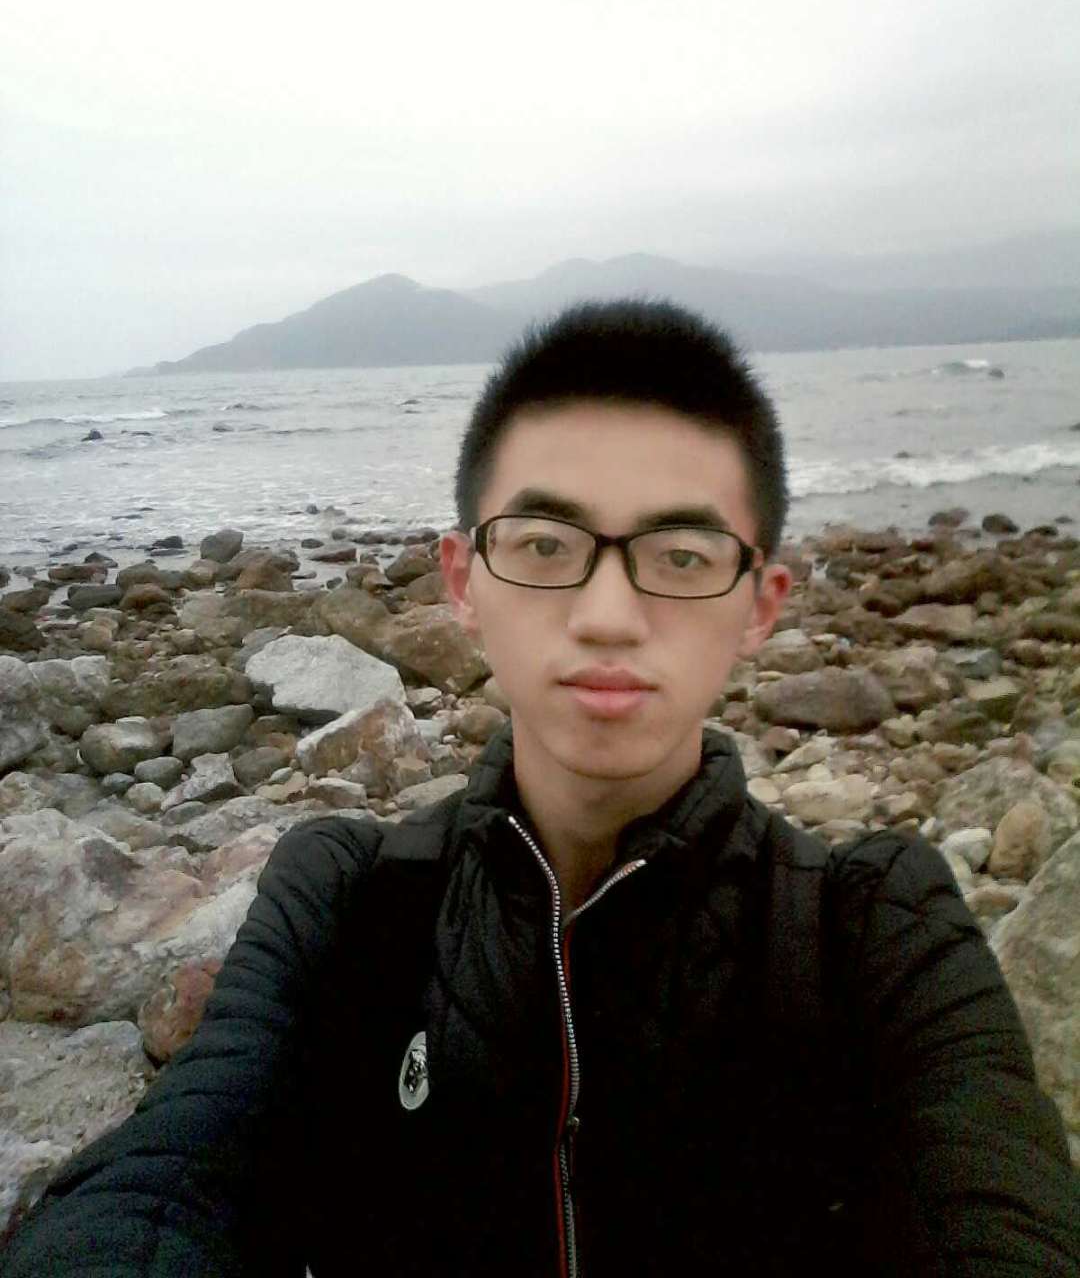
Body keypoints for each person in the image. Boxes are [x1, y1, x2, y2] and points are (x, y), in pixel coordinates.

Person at [2, 300, 1076, 1277]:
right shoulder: (348, 902)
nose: (607, 615)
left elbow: (994, 1210)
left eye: (683, 554)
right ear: (464, 580)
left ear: (760, 604)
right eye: (547, 544)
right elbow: (172, 1172)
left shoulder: (873, 928)